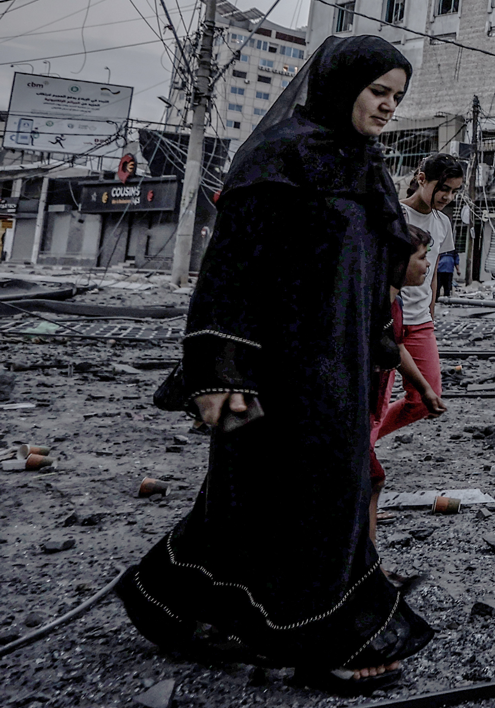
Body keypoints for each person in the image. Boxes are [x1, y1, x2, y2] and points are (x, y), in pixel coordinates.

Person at [118, 36, 432, 694]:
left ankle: (165, 598)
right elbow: (231, 271)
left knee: (262, 506)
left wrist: (394, 354)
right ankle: (322, 640)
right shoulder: (277, 155)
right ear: (341, 87)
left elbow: (369, 277)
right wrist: (217, 370)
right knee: (294, 500)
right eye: (378, 92)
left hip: (341, 372)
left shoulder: (367, 166)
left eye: (397, 97)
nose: (387, 107)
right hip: (275, 373)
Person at [375, 153, 464, 440]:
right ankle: (364, 452)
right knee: (374, 401)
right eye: (444, 188)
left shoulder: (443, 223)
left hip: (420, 322)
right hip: (387, 321)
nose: (448, 197)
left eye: (454, 191)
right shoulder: (394, 215)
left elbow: (433, 271)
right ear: (422, 179)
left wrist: (431, 313)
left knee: (426, 399)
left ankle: (366, 445)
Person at [369, 226, 447, 546]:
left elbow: (397, 348)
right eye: (422, 257)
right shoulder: (369, 307)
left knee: (371, 480)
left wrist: (426, 390)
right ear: (399, 261)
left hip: (372, 403)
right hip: (356, 404)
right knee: (369, 479)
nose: (428, 265)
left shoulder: (394, 305)